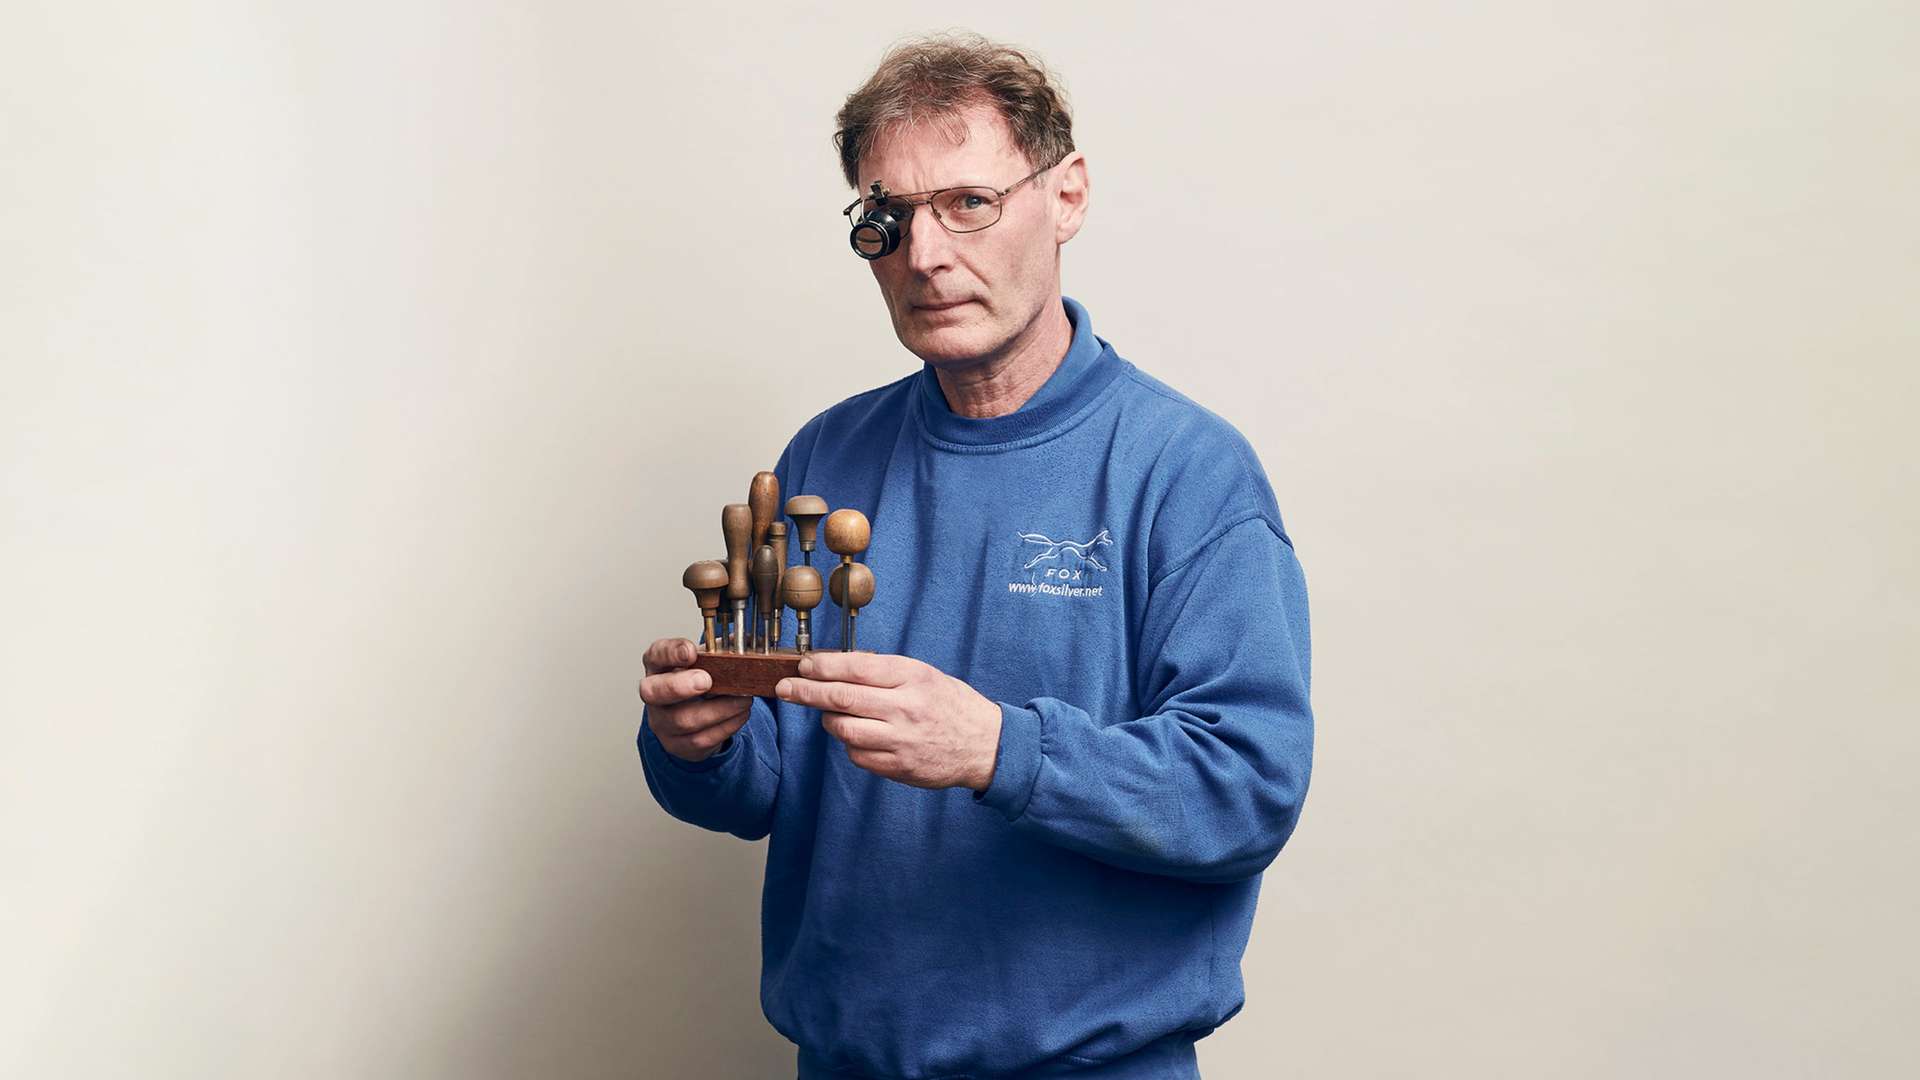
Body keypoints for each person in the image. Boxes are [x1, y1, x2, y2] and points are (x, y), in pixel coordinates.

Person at [638, 32, 1313, 1080]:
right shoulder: (827, 453)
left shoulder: (1186, 472)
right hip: (845, 1060)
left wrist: (1001, 747)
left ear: (1069, 196)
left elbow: (1247, 788)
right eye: (888, 218)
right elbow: (770, 784)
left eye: (969, 203)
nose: (925, 254)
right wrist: (701, 744)